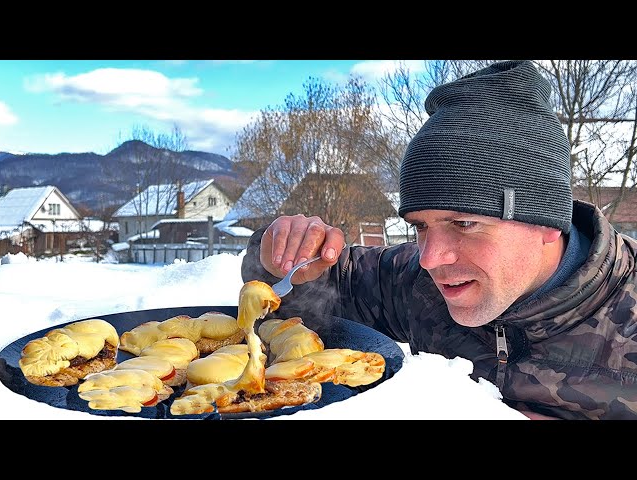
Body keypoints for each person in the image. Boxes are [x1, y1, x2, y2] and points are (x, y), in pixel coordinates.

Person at [240, 60, 637, 420]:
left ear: (548, 221)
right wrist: (282, 255)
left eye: (463, 224)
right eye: (421, 226)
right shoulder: (413, 282)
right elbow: (321, 291)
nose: (430, 259)